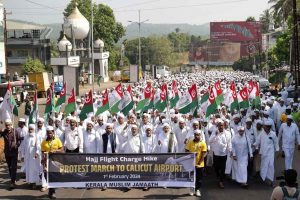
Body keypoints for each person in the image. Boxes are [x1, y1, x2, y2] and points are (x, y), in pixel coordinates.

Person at [41, 126, 64, 199]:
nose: (49, 134)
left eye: (51, 133)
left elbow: (62, 150)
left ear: (53, 133)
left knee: (54, 176)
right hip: (47, 161)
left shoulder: (57, 140)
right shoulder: (44, 142)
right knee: (47, 176)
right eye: (48, 133)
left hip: (56, 161)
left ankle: (52, 191)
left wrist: (55, 151)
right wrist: (43, 161)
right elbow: (43, 153)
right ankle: (51, 191)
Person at [255, 120, 279, 185]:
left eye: (269, 127)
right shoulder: (261, 134)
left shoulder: (273, 134)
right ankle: (263, 178)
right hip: (263, 153)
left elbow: (276, 143)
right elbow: (257, 141)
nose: (267, 128)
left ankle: (271, 180)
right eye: (266, 126)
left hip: (271, 153)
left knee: (271, 165)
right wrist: (253, 145)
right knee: (264, 165)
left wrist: (277, 151)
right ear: (264, 127)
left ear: (270, 127)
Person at [0, 119, 21, 190]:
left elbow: (19, 140)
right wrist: (1, 130)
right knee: (9, 167)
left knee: (13, 167)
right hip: (7, 152)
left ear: (11, 124)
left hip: (14, 152)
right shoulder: (4, 132)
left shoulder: (15, 132)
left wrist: (17, 145)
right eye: (6, 125)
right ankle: (13, 178)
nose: (8, 126)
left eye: (9, 125)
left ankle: (12, 182)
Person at [209, 120, 231, 188]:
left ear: (224, 126)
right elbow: (210, 140)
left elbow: (229, 143)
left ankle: (221, 181)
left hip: (224, 153)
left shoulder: (227, 133)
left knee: (223, 167)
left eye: (222, 125)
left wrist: (230, 150)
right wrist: (215, 134)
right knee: (216, 167)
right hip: (216, 153)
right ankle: (218, 176)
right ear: (217, 126)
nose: (221, 127)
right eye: (219, 125)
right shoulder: (215, 132)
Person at [185, 130, 207, 197]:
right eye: (195, 135)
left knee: (199, 178)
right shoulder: (190, 142)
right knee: (191, 177)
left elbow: (203, 154)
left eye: (198, 135)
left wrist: (199, 163)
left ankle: (197, 189)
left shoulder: (203, 143)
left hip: (200, 164)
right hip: (191, 164)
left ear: (200, 135)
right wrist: (190, 157)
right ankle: (191, 189)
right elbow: (186, 150)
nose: (197, 136)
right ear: (194, 135)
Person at [21, 124, 40, 189]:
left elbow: (38, 146)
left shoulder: (36, 136)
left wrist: (37, 152)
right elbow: (23, 146)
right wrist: (22, 155)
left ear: (34, 129)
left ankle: (34, 182)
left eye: (31, 129)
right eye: (29, 129)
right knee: (28, 170)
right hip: (27, 157)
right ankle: (30, 182)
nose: (30, 130)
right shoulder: (26, 137)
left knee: (34, 169)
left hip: (34, 157)